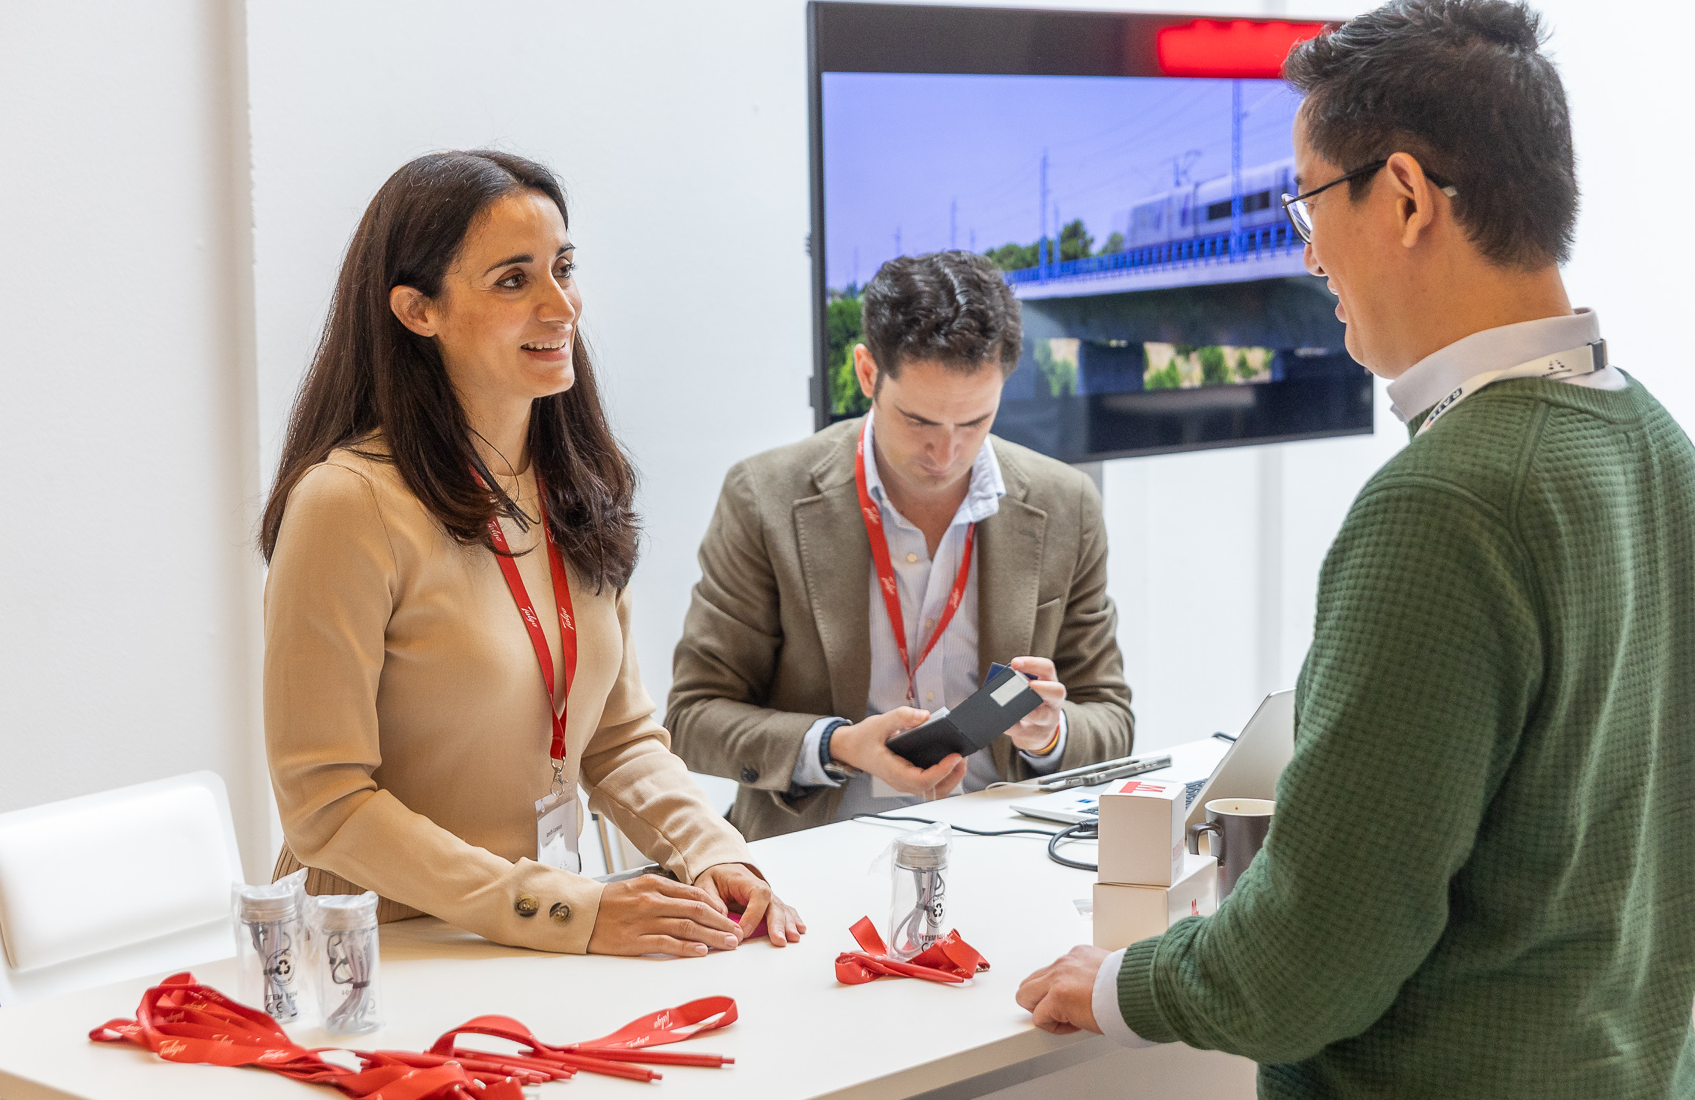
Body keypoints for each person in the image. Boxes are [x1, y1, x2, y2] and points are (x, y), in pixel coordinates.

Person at [1018, 0, 1695, 1100]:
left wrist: (1119, 983)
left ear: (1401, 199)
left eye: (1305, 205)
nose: (1306, 256)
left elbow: (1312, 960)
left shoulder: (1446, 500)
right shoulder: (1651, 443)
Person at [261, 150, 804, 956]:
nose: (561, 306)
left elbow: (617, 738)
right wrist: (560, 909)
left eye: (564, 268)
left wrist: (713, 851)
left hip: (534, 936)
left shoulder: (574, 482)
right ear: (418, 310)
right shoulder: (346, 504)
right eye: (514, 280)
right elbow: (325, 805)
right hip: (379, 952)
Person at [666, 251, 1133, 839]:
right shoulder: (765, 498)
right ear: (867, 373)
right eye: (918, 422)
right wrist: (837, 745)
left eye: (974, 422)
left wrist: (1050, 734)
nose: (947, 453)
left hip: (1005, 840)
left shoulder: (1065, 504)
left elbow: (1111, 717)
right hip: (823, 844)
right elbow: (693, 717)